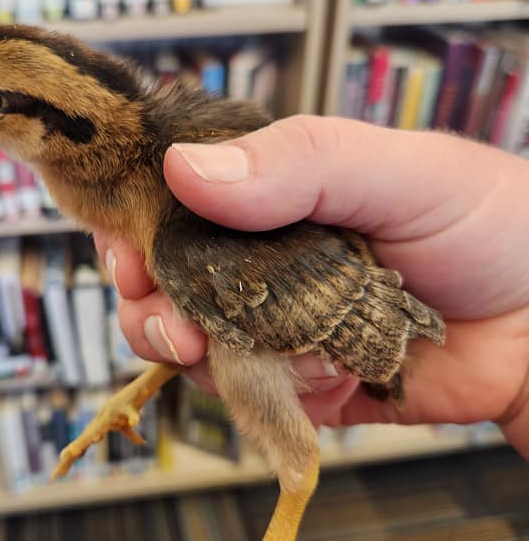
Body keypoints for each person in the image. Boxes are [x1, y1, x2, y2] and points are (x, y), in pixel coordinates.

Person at [94, 114, 529, 460]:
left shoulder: (183, 226)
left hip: (359, 310)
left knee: (217, 329)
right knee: (201, 325)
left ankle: (285, 507)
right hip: (477, 347)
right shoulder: (148, 204)